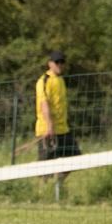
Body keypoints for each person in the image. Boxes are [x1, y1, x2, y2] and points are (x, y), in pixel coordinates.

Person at [35, 50, 81, 188]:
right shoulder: (44, 80)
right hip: (47, 130)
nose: (60, 65)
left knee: (76, 158)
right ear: (50, 64)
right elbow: (44, 104)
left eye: (62, 62)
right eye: (57, 62)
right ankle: (42, 192)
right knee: (46, 168)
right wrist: (49, 126)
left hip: (63, 129)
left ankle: (58, 185)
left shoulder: (60, 80)